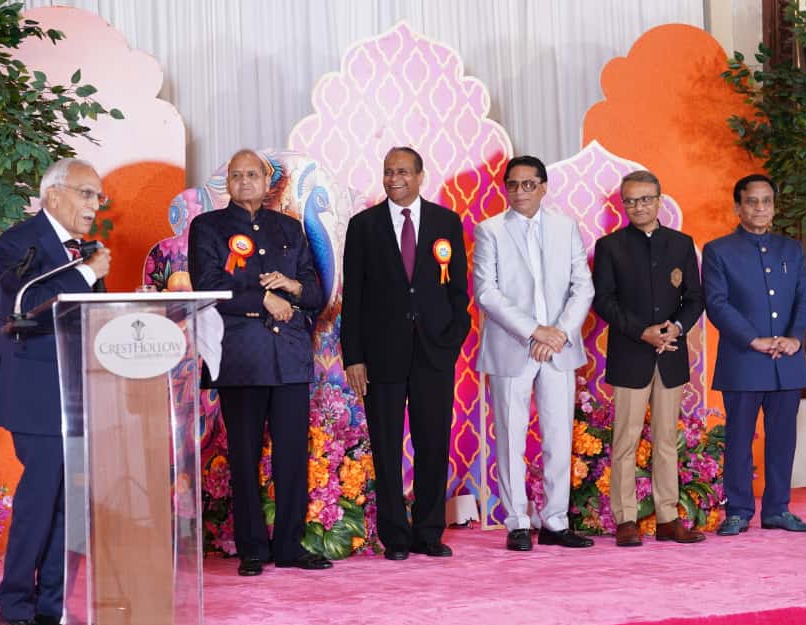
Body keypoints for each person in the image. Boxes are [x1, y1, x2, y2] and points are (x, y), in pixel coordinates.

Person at [0, 158, 112, 625]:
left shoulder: (88, 251)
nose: (94, 204)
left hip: (78, 389)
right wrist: (87, 276)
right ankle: (13, 609)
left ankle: (50, 610)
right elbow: (26, 306)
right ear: (54, 195)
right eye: (86, 193)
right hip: (35, 391)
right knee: (40, 498)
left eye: (98, 196)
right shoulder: (20, 241)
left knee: (67, 502)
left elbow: (90, 316)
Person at [189, 149, 331, 576]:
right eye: (237, 175)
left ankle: (289, 546)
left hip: (289, 357)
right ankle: (252, 548)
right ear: (227, 183)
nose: (245, 181)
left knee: (292, 456)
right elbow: (208, 284)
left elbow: (315, 292)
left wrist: (292, 286)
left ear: (268, 183)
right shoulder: (207, 227)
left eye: (253, 174)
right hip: (241, 356)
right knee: (244, 454)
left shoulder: (289, 227)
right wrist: (263, 298)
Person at [341, 147, 470, 560]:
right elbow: (353, 298)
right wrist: (353, 356)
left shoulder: (446, 222)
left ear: (420, 176)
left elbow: (458, 291)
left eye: (402, 172)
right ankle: (395, 537)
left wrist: (452, 339)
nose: (394, 179)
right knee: (386, 446)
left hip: (434, 353)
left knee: (434, 442)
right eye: (388, 172)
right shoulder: (363, 226)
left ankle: (428, 533)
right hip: (382, 355)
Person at [473, 155, 595, 551]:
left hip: (559, 347)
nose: (520, 191)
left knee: (558, 435)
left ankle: (556, 521)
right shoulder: (489, 230)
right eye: (513, 184)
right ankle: (518, 522)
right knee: (511, 437)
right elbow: (486, 292)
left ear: (543, 187)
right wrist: (534, 331)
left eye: (528, 184)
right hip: (512, 346)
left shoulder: (565, 227)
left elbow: (583, 286)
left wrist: (559, 333)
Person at [591, 170, 705, 547]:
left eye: (645, 199)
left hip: (670, 354)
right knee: (625, 440)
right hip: (630, 354)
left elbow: (694, 298)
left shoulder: (681, 244)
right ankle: (626, 519)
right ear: (622, 204)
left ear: (659, 200)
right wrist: (642, 331)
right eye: (631, 200)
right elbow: (604, 300)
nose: (638, 206)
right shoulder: (610, 247)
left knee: (666, 440)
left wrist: (675, 328)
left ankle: (668, 518)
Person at [702, 174, 806, 535]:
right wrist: (753, 340)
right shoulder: (719, 250)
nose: (760, 208)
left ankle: (777, 509)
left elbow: (804, 297)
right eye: (751, 201)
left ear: (774, 207)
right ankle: (738, 511)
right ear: (738, 207)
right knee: (739, 439)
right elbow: (717, 303)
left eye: (766, 201)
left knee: (783, 439)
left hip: (787, 359)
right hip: (744, 359)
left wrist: (795, 338)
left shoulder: (790, 250)